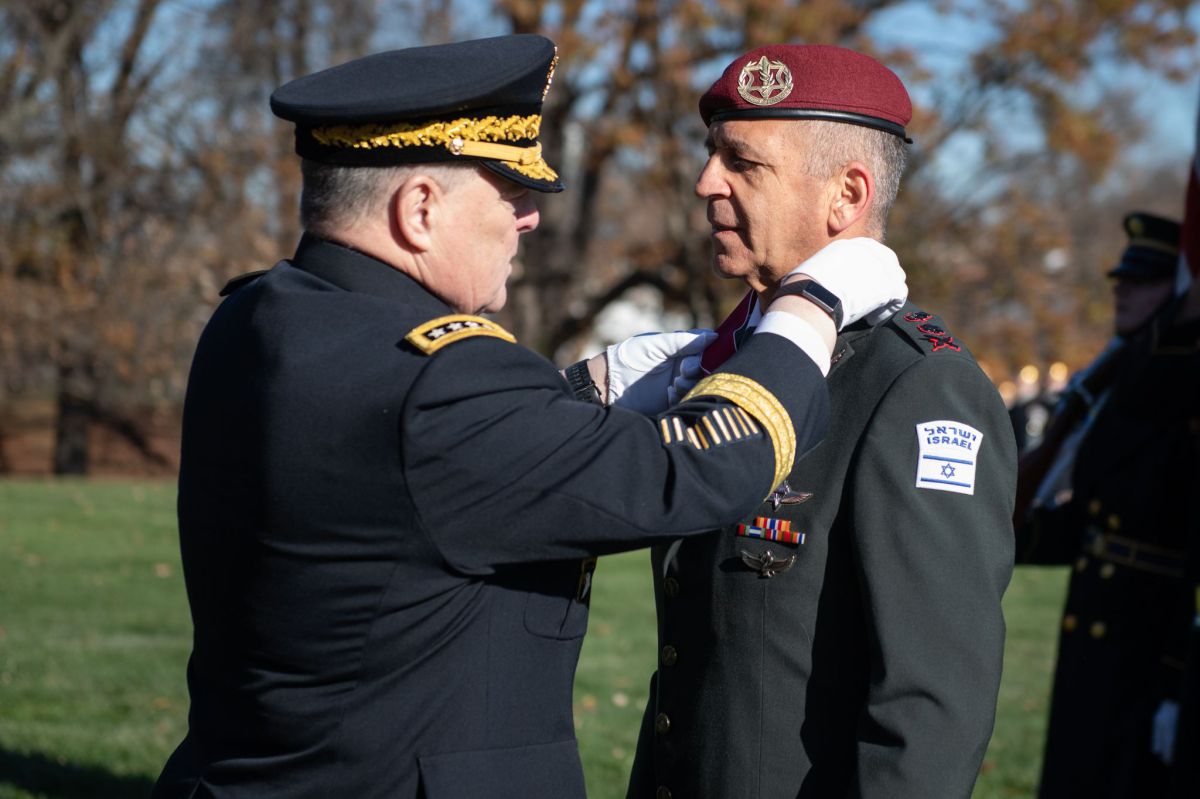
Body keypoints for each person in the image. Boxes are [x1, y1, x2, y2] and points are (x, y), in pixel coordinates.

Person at [150, 34, 909, 799]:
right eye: (508, 192)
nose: (527, 221)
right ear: (418, 210)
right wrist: (811, 304)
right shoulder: (439, 379)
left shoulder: (262, 314)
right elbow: (705, 467)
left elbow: (439, 468)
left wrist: (586, 391)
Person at [626, 44, 1016, 799]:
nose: (707, 182)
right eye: (712, 156)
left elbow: (928, 713)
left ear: (847, 195)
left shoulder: (916, 388)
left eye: (744, 162)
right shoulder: (735, 358)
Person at [1016, 212, 1200, 798]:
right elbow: (1096, 520)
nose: (1121, 288)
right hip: (1098, 636)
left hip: (1151, 645)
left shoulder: (1176, 388)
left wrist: (1180, 678)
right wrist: (1001, 534)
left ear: (1181, 292)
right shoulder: (1118, 379)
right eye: (1122, 279)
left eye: (1142, 282)